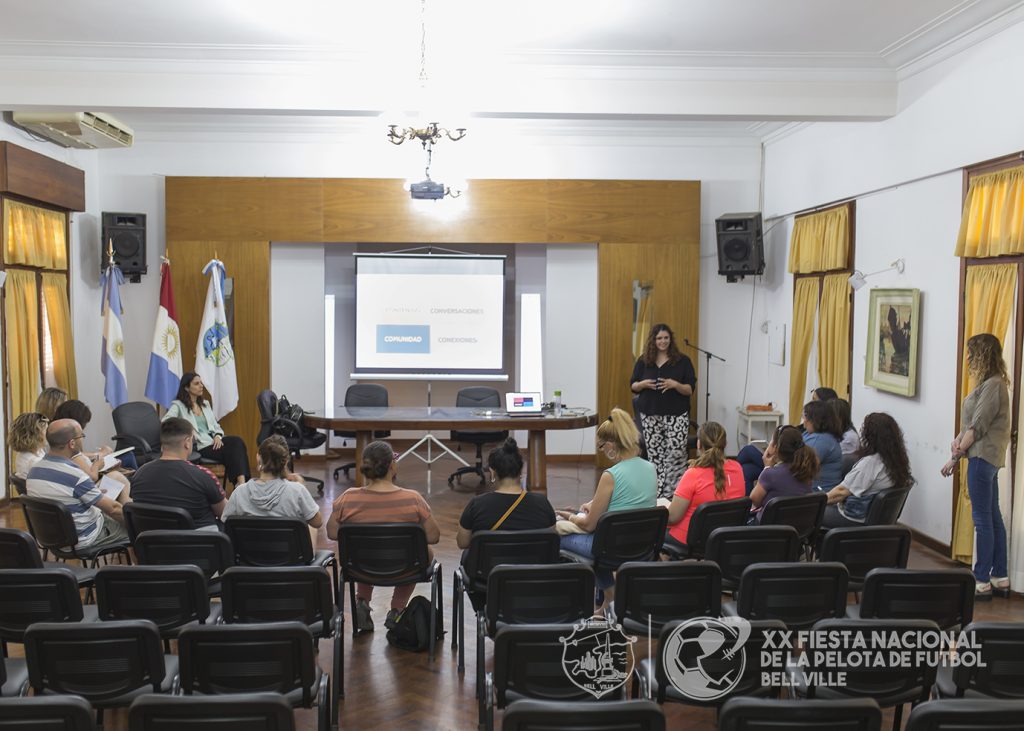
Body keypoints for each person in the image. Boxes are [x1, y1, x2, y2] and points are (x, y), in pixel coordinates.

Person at [327, 441, 440, 632]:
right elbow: (433, 536)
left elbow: (331, 532)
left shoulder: (348, 498)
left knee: (363, 548)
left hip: (361, 568)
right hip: (405, 568)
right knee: (422, 551)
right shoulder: (413, 499)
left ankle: (361, 601)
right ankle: (397, 609)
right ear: (392, 466)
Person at [557, 408, 657, 612]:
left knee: (558, 535)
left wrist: (569, 517)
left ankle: (606, 595)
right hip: (642, 545)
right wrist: (592, 507)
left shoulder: (610, 475)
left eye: (601, 446)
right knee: (601, 543)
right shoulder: (650, 468)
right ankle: (608, 599)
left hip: (612, 547)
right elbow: (630, 503)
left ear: (611, 445)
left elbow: (588, 524)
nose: (602, 451)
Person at [941, 333, 1011, 601]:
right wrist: (959, 443)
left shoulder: (993, 385)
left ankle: (981, 579)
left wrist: (955, 456)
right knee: (993, 517)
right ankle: (1000, 577)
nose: (968, 358)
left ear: (982, 355)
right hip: (985, 458)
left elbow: (977, 426)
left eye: (971, 353)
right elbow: (971, 426)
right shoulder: (991, 384)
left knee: (983, 520)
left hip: (982, 459)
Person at [26, 418, 130, 548]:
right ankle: (141, 568)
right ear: (72, 443)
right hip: (82, 538)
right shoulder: (75, 476)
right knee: (135, 530)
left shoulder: (33, 471)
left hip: (51, 538)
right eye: (82, 435)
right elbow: (114, 509)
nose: (83, 439)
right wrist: (137, 523)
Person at [630, 323, 697, 499]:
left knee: (676, 454)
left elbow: (690, 389)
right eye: (659, 338)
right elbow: (633, 386)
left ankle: (676, 494)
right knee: (656, 456)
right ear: (653, 340)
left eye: (666, 338)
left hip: (677, 415)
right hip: (650, 415)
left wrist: (675, 385)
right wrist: (643, 384)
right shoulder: (644, 361)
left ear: (670, 339)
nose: (663, 341)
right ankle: (658, 494)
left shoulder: (683, 361)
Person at [130, 417, 227, 531]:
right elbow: (225, 513)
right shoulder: (203, 475)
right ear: (187, 443)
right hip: (199, 545)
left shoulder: (139, 475)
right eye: (192, 440)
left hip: (154, 545)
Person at [456, 437, 556, 548]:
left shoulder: (477, 505)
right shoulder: (542, 503)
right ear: (520, 471)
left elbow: (462, 543)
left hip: (489, 565)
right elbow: (551, 539)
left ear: (492, 472)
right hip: (532, 564)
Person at [224, 435, 323, 544]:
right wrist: (302, 488)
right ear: (285, 462)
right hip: (290, 559)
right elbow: (317, 522)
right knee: (310, 523)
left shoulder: (239, 493)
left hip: (248, 558)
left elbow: (226, 525)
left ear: (258, 458)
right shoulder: (297, 491)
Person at [824, 412, 914, 529]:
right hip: (874, 519)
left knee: (810, 514)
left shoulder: (870, 463)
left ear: (869, 436)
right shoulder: (897, 460)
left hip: (854, 519)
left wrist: (816, 502)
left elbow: (840, 493)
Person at [164, 371, 251, 489]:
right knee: (235, 445)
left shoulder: (205, 404)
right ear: (186, 387)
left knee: (237, 442)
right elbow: (166, 421)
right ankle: (242, 485)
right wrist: (186, 429)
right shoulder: (178, 405)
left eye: (201, 383)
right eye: (196, 383)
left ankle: (241, 484)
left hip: (213, 443)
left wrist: (217, 436)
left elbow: (216, 426)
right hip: (200, 446)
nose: (201, 386)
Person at [665, 421, 744, 547]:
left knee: (654, 533)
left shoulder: (693, 474)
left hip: (689, 539)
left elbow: (673, 518)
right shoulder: (738, 469)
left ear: (698, 444)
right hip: (723, 539)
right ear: (725, 444)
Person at [749, 425, 817, 522]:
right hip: (796, 530)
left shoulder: (770, 474)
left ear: (776, 447)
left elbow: (754, 500)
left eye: (771, 441)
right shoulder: (806, 470)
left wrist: (767, 468)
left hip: (768, 531)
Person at [801, 399, 844, 490]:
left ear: (814, 419)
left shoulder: (820, 440)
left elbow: (799, 469)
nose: (803, 420)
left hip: (817, 495)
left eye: (805, 416)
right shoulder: (811, 434)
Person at [10, 412, 48, 478]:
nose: (49, 433)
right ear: (36, 434)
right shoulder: (34, 462)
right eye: (46, 430)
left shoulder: (36, 452)